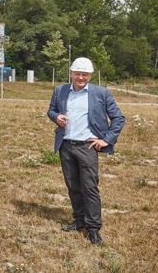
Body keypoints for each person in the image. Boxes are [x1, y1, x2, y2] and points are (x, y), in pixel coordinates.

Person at [47, 57, 125, 246]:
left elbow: (118, 118)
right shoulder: (60, 90)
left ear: (90, 75)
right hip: (66, 145)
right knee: (73, 185)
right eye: (77, 73)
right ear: (71, 73)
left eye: (84, 74)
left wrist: (105, 139)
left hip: (87, 147)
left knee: (89, 187)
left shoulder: (102, 93)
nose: (80, 77)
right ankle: (79, 219)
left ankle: (93, 227)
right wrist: (57, 117)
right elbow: (51, 110)